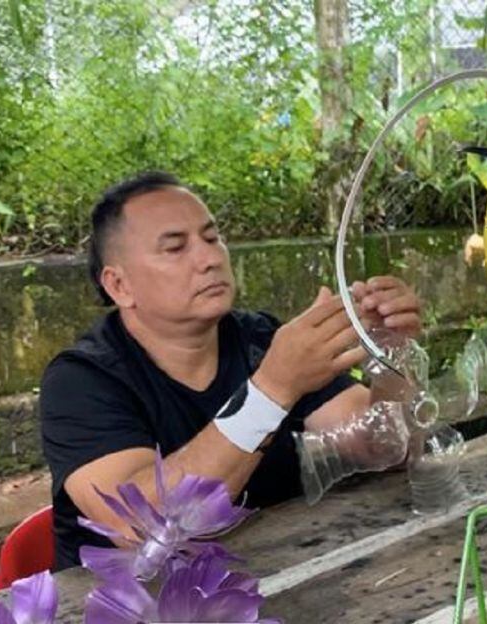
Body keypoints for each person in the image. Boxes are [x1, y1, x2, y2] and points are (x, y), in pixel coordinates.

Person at [39, 171, 421, 571]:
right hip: (139, 598)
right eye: (175, 248)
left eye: (211, 238)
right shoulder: (80, 381)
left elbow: (384, 447)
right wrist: (272, 389)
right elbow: (143, 526)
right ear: (119, 285)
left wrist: (392, 356)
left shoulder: (260, 339)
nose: (209, 259)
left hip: (278, 576)